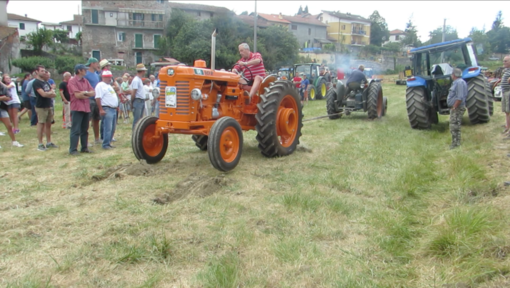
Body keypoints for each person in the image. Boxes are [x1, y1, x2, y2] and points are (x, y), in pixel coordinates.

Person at [67, 64, 95, 155]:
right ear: (79, 70)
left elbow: (93, 92)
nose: (86, 71)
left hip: (86, 107)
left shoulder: (85, 81)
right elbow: (77, 95)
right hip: (77, 108)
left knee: (85, 129)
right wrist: (86, 93)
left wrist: (84, 93)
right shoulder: (72, 81)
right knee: (75, 129)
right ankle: (73, 149)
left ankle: (84, 147)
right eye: (84, 69)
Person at [32, 65, 58, 151]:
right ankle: (40, 143)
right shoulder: (36, 82)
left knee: (49, 124)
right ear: (37, 72)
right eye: (42, 71)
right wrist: (49, 93)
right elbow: (43, 94)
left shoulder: (46, 82)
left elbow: (53, 93)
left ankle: (49, 142)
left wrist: (49, 93)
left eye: (44, 70)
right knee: (41, 124)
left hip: (48, 105)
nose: (44, 72)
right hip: (41, 106)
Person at [95, 70, 118, 150]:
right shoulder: (100, 85)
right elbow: (98, 98)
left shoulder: (109, 86)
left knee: (112, 127)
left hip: (113, 109)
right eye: (108, 77)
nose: (110, 79)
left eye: (110, 77)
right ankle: (105, 144)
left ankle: (109, 142)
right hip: (107, 108)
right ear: (103, 77)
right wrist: (101, 109)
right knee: (107, 127)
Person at [447, 68, 468, 149]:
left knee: (454, 126)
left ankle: (455, 143)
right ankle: (456, 142)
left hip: (457, 107)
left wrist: (454, 107)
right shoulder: (459, 82)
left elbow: (459, 97)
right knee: (455, 125)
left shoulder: (459, 83)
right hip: (457, 107)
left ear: (453, 75)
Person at [83, 57, 101, 145]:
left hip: (96, 98)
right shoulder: (86, 74)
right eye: (96, 63)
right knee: (88, 119)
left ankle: (97, 138)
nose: (98, 65)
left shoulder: (96, 74)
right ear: (92, 64)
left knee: (96, 119)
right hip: (89, 99)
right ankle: (85, 140)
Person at [0, 82, 24, 148]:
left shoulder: (2, 87)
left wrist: (6, 98)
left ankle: (14, 142)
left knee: (9, 126)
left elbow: (9, 97)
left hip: (2, 108)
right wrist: (2, 98)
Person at [131, 63, 147, 130]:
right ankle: (135, 134)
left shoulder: (139, 79)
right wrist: (132, 102)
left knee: (140, 120)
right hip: (138, 101)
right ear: (142, 71)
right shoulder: (136, 80)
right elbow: (134, 92)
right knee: (137, 120)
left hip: (141, 100)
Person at [501, 56, 510, 136]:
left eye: (506, 61)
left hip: (509, 92)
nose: (504, 62)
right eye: (504, 61)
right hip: (504, 92)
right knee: (507, 111)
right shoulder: (507, 70)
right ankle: (507, 127)